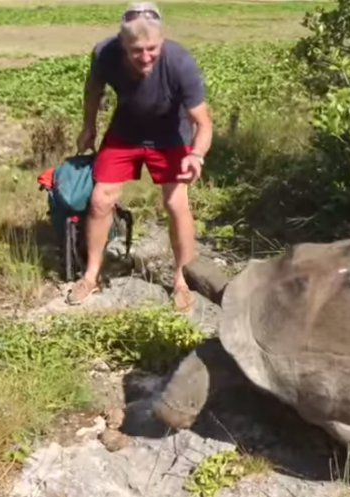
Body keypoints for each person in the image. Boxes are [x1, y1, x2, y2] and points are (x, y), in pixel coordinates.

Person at [69, 2, 212, 313]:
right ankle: (91, 275)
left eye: (152, 48)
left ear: (161, 41)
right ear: (123, 45)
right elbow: (93, 90)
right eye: (137, 50)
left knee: (176, 203)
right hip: (126, 132)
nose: (146, 57)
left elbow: (203, 122)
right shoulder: (105, 53)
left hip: (170, 136)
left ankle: (181, 279)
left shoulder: (179, 62)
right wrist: (89, 126)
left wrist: (196, 155)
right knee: (99, 201)